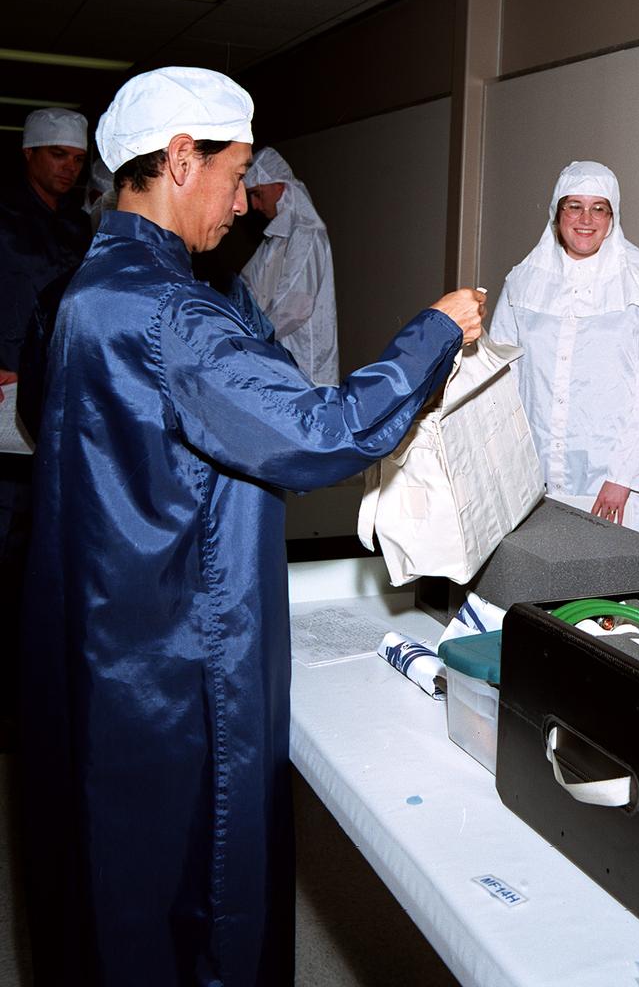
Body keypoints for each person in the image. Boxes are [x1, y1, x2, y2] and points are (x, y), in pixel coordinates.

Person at [20, 66, 485, 985]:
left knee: (111, 888)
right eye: (235, 177)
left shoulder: (92, 294)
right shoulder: (169, 314)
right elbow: (325, 432)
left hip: (107, 642)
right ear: (180, 160)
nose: (243, 203)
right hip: (177, 663)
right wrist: (433, 333)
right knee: (201, 897)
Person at [490, 160, 639, 533]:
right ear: (556, 213)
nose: (586, 219)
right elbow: (500, 380)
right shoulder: (521, 283)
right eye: (574, 206)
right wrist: (506, 465)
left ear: (613, 217)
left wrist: (623, 479)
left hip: (611, 487)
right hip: (533, 479)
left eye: (599, 208)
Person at [0, 107, 90, 742]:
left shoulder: (82, 226)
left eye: (78, 157)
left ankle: (34, 689)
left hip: (55, 402)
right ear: (29, 154)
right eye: (58, 154)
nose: (69, 166)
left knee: (45, 544)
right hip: (1, 398)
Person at [241, 145, 339, 385]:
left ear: (279, 187)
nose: (254, 205)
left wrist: (252, 339)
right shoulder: (275, 241)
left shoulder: (307, 234)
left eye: (257, 194)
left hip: (307, 365)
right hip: (281, 360)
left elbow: (296, 305)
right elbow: (248, 284)